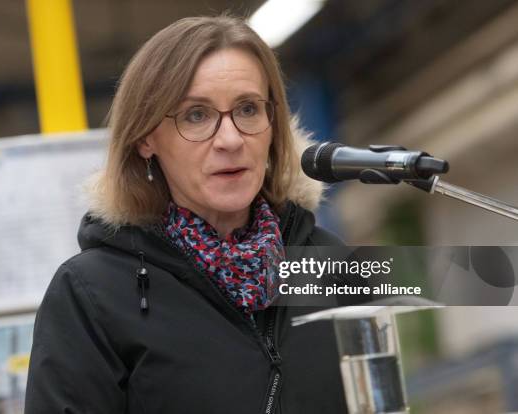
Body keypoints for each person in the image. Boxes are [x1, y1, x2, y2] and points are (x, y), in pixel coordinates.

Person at [25, 15, 349, 414]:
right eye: (196, 115)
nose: (230, 140)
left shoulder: (328, 261)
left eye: (248, 109)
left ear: (273, 124)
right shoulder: (92, 293)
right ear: (146, 138)